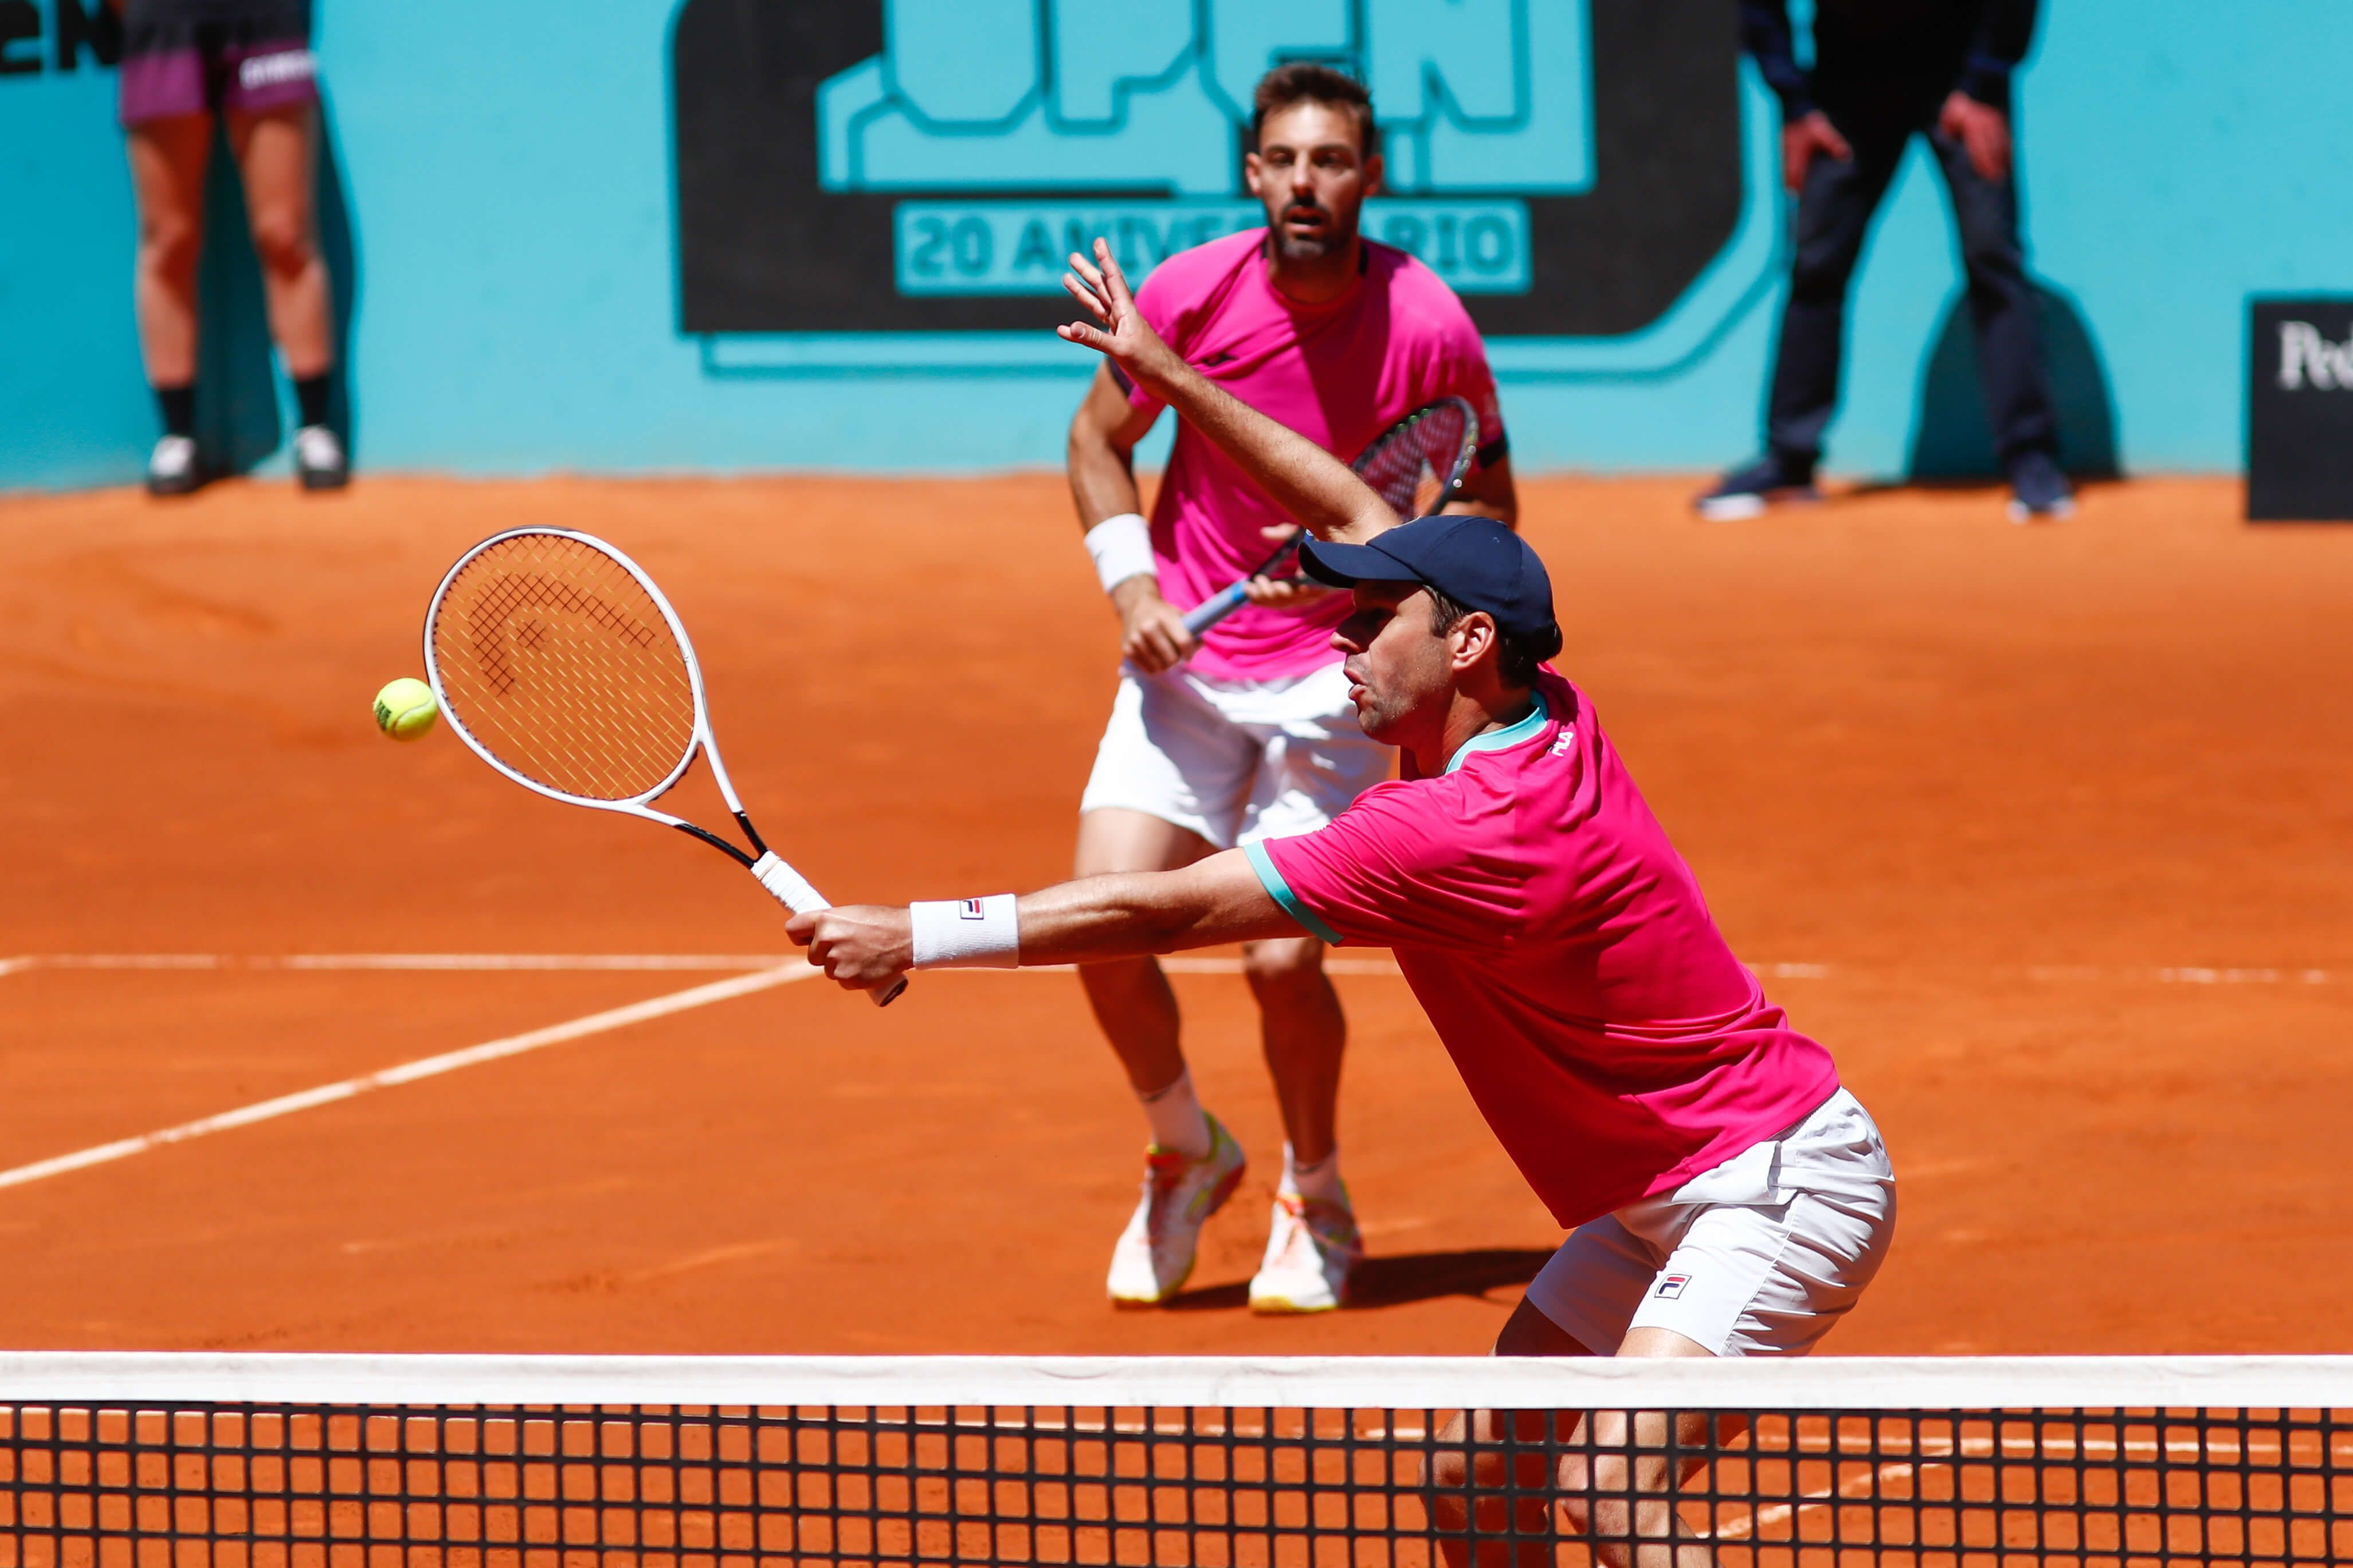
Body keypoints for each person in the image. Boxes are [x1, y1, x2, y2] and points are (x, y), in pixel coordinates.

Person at [789, 240, 1896, 1566]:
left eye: (1373, 619)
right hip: (1650, 1188)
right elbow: (1344, 501)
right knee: (1472, 1491)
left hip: (1771, 1184)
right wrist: (1167, 375)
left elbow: (1164, 911)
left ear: (1462, 644)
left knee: (1609, 1494)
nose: (1338, 637)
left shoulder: (1454, 830)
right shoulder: (1522, 703)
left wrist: (913, 933)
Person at [1061, 63, 1514, 1312]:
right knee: (1103, 921)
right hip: (1189, 671)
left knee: (1276, 963)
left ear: (1370, 178)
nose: (1307, 183)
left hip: (1335, 689)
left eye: (1332, 161)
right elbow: (1096, 442)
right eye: (1285, 160)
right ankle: (1185, 1145)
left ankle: (1316, 1190)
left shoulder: (1429, 325)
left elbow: (1486, 504)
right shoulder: (1189, 294)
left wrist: (1380, 589)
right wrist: (1132, 589)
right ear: (1253, 174)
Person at [1700, 0, 2069, 525]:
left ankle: (2032, 460)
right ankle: (1790, 461)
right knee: (1816, 266)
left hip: (1962, 76)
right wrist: (1797, 106)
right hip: (1846, 86)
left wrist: (1985, 83)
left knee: (1993, 259)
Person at [113, 0, 346, 495]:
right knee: (169, 240)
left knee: (286, 234)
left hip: (264, 18)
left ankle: (316, 428)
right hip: (161, 22)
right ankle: (177, 437)